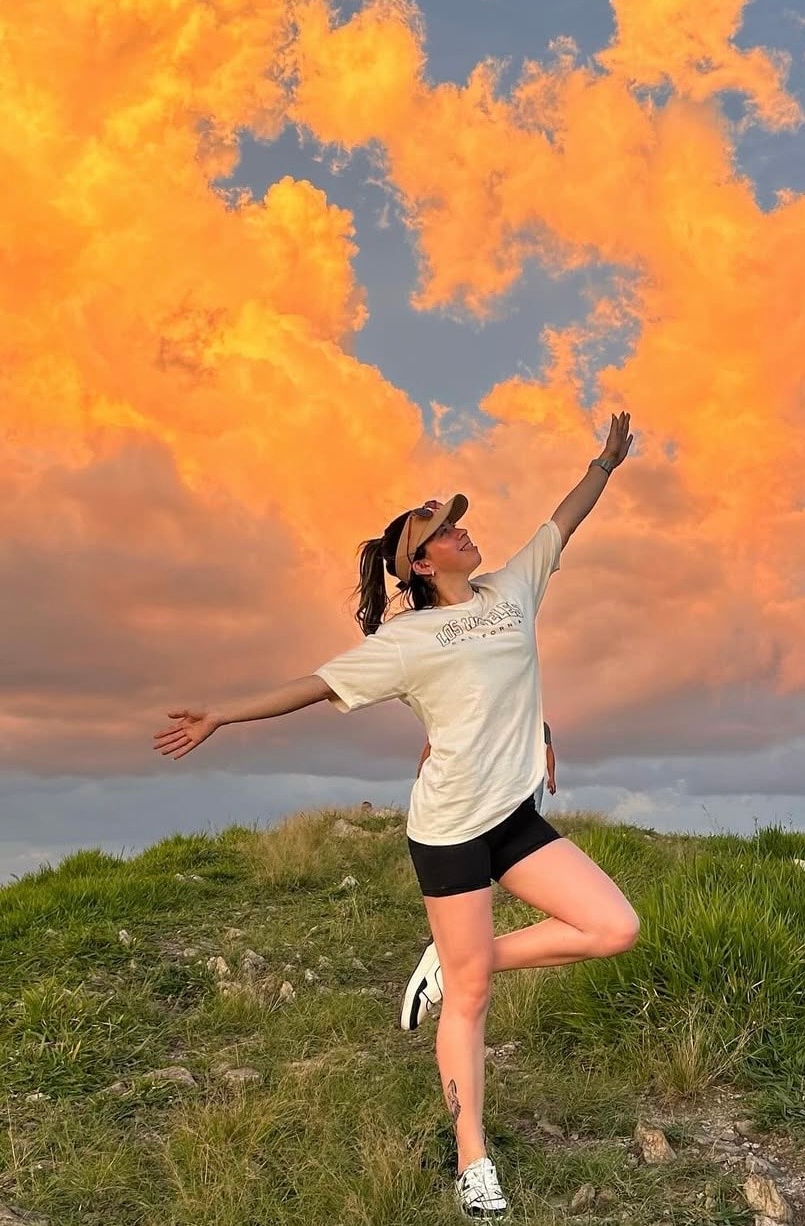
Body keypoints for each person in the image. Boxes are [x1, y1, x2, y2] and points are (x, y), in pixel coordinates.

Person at [154, 413, 639, 1219]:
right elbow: (313, 684)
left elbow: (565, 519)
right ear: (421, 559)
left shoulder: (511, 589)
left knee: (612, 925)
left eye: (458, 520)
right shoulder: (405, 638)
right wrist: (222, 715)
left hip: (513, 817)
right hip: (449, 828)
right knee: (475, 1002)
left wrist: (606, 463)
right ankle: (473, 1159)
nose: (464, 530)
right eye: (447, 528)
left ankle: (455, 960)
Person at [418, 719, 556, 812]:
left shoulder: (540, 726)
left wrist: (551, 777)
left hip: (533, 774)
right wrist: (421, 771)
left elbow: (548, 749)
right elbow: (430, 745)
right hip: (506, 775)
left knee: (533, 811)